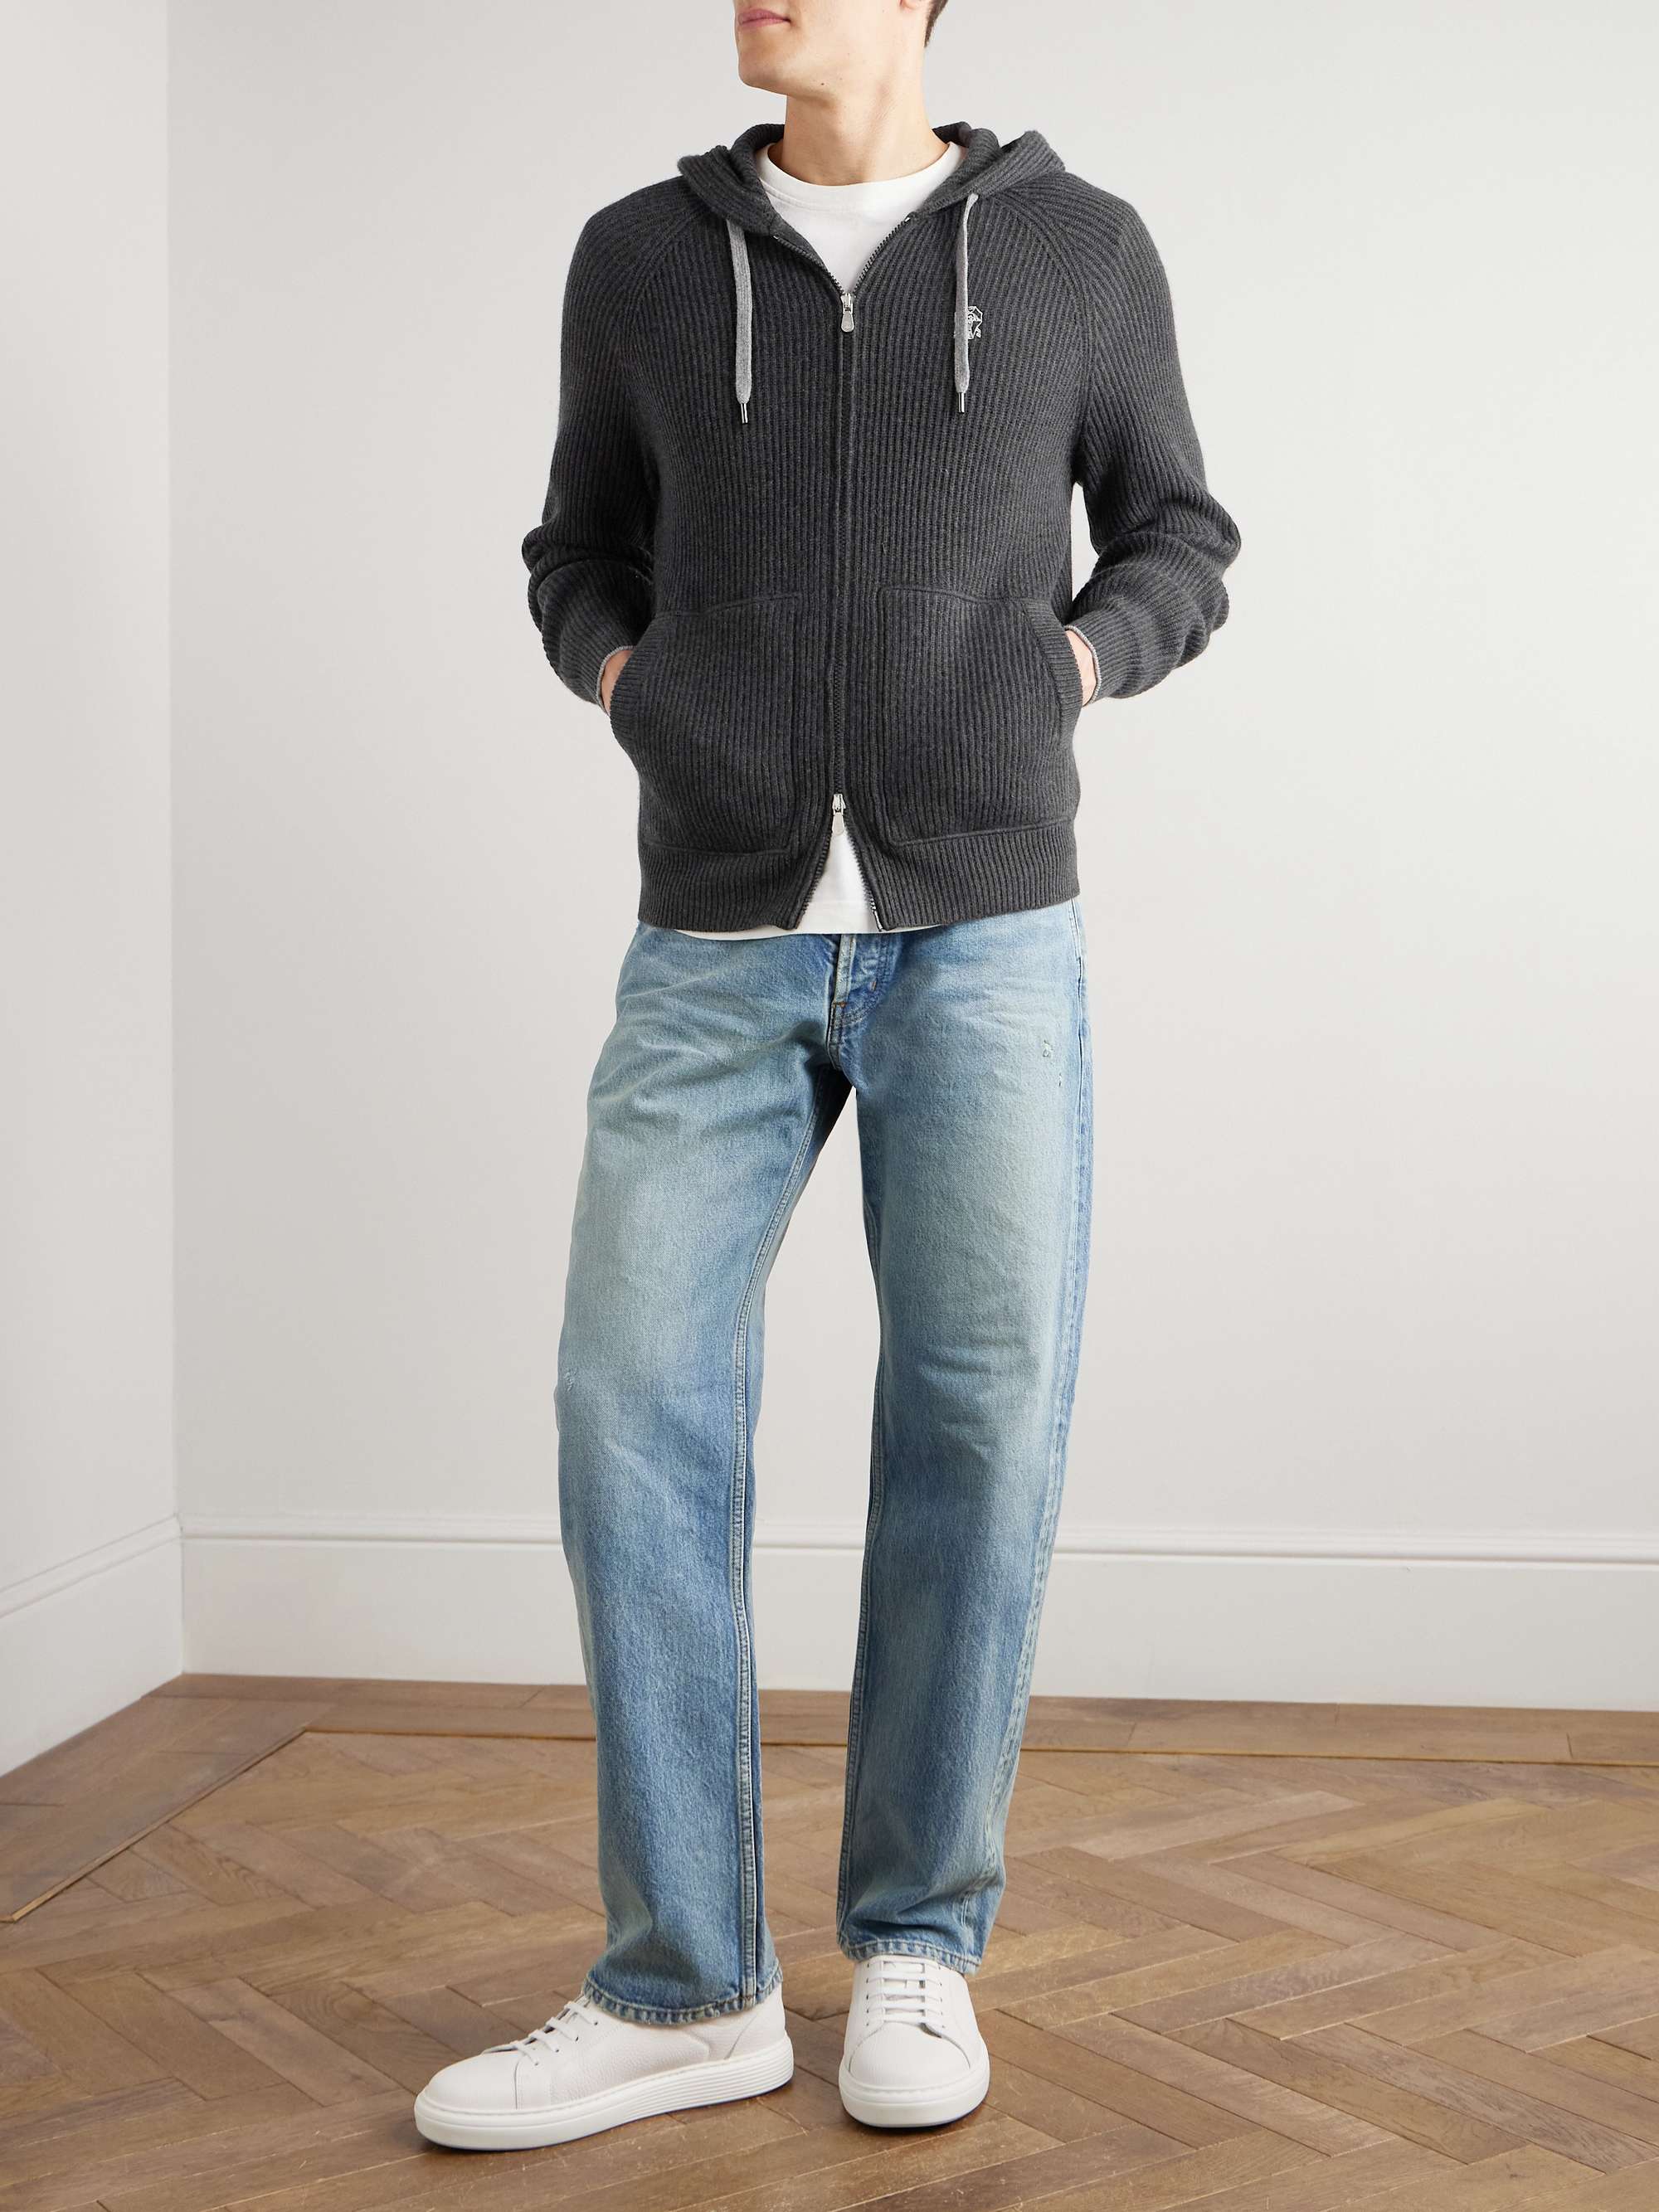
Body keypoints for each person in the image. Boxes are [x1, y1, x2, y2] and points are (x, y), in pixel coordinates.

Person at [414, 0, 1238, 2152]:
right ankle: (684, 1986)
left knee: (976, 1422)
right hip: (718, 931)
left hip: (988, 927)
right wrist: (639, 685)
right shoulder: (640, 255)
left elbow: (1181, 534)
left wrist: (1066, 667)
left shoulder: (1077, 246)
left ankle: (917, 1946)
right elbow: (576, 548)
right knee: (632, 1412)